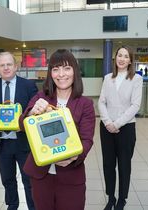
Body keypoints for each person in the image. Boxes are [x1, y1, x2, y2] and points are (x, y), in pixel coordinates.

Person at [21, 49, 95, 210]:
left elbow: (87, 139)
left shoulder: (85, 104)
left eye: (67, 68)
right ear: (50, 73)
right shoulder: (41, 97)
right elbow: (22, 124)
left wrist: (75, 157)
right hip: (41, 175)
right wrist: (32, 112)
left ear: (75, 71)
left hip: (70, 177)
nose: (61, 74)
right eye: (56, 69)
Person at [0, 52, 37, 210]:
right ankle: (12, 205)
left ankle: (33, 207)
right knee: (7, 179)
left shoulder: (28, 85)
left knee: (29, 180)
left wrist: (22, 121)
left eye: (9, 64)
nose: (6, 68)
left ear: (16, 66)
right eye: (2, 65)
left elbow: (35, 110)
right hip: (2, 142)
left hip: (24, 142)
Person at [98, 45, 143, 210]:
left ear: (130, 60)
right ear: (115, 58)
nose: (122, 59)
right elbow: (101, 101)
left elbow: (135, 106)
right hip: (106, 127)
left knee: (124, 165)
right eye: (119, 55)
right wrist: (107, 122)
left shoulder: (136, 79)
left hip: (126, 128)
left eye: (125, 56)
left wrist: (116, 124)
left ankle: (122, 199)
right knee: (108, 164)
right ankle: (111, 197)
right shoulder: (108, 77)